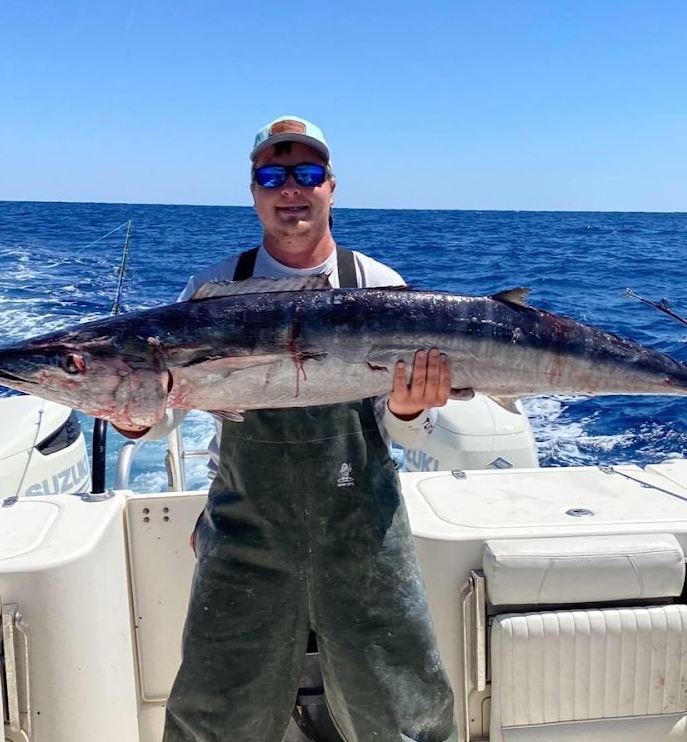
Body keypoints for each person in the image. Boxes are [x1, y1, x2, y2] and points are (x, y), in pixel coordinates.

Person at [116, 115, 458, 742]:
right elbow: (165, 413)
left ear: (332, 186)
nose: (289, 189)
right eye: (271, 175)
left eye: (306, 174)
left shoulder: (378, 284)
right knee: (215, 716)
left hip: (364, 529)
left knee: (403, 709)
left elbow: (408, 433)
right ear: (253, 190)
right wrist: (130, 418)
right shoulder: (214, 289)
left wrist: (410, 409)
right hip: (245, 531)